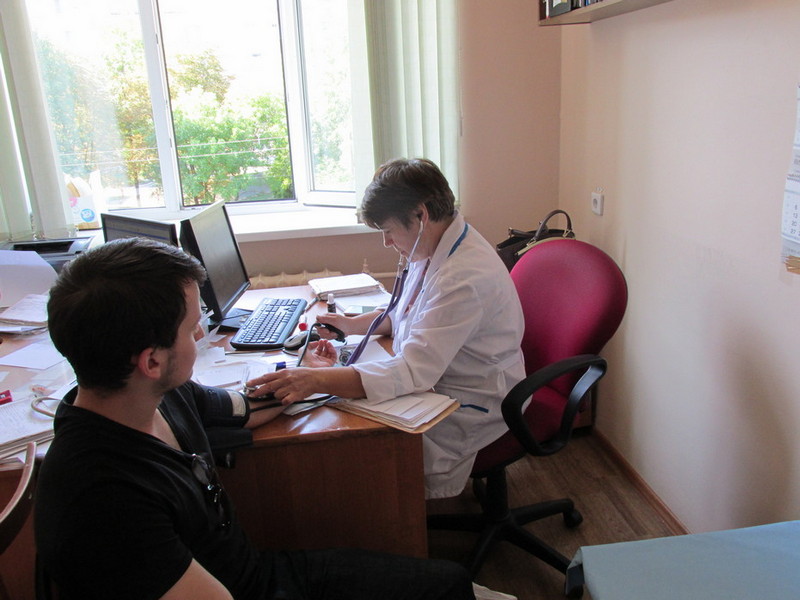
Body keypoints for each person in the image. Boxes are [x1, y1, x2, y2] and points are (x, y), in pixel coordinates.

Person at [35, 237, 475, 600]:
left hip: (250, 569)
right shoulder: (104, 500)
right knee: (444, 588)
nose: (202, 334)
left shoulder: (154, 394)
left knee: (445, 580)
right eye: (192, 328)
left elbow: (243, 408)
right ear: (151, 361)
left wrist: (307, 379)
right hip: (245, 588)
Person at [246, 158, 526, 499]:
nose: (386, 242)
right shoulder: (437, 245)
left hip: (472, 401)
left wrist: (315, 380)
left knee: (354, 442)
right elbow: (409, 314)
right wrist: (351, 325)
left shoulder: (463, 276)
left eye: (388, 230)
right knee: (340, 415)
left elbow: (413, 371)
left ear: (420, 215)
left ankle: (390, 520)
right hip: (443, 377)